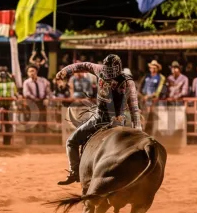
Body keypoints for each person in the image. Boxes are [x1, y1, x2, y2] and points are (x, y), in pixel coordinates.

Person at [55, 54, 142, 185]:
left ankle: (77, 172)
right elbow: (82, 65)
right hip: (102, 117)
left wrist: (138, 127)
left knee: (72, 142)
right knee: (71, 141)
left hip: (112, 120)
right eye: (107, 71)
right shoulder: (103, 71)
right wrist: (65, 71)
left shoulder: (126, 81)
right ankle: (75, 171)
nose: (109, 74)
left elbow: (134, 106)